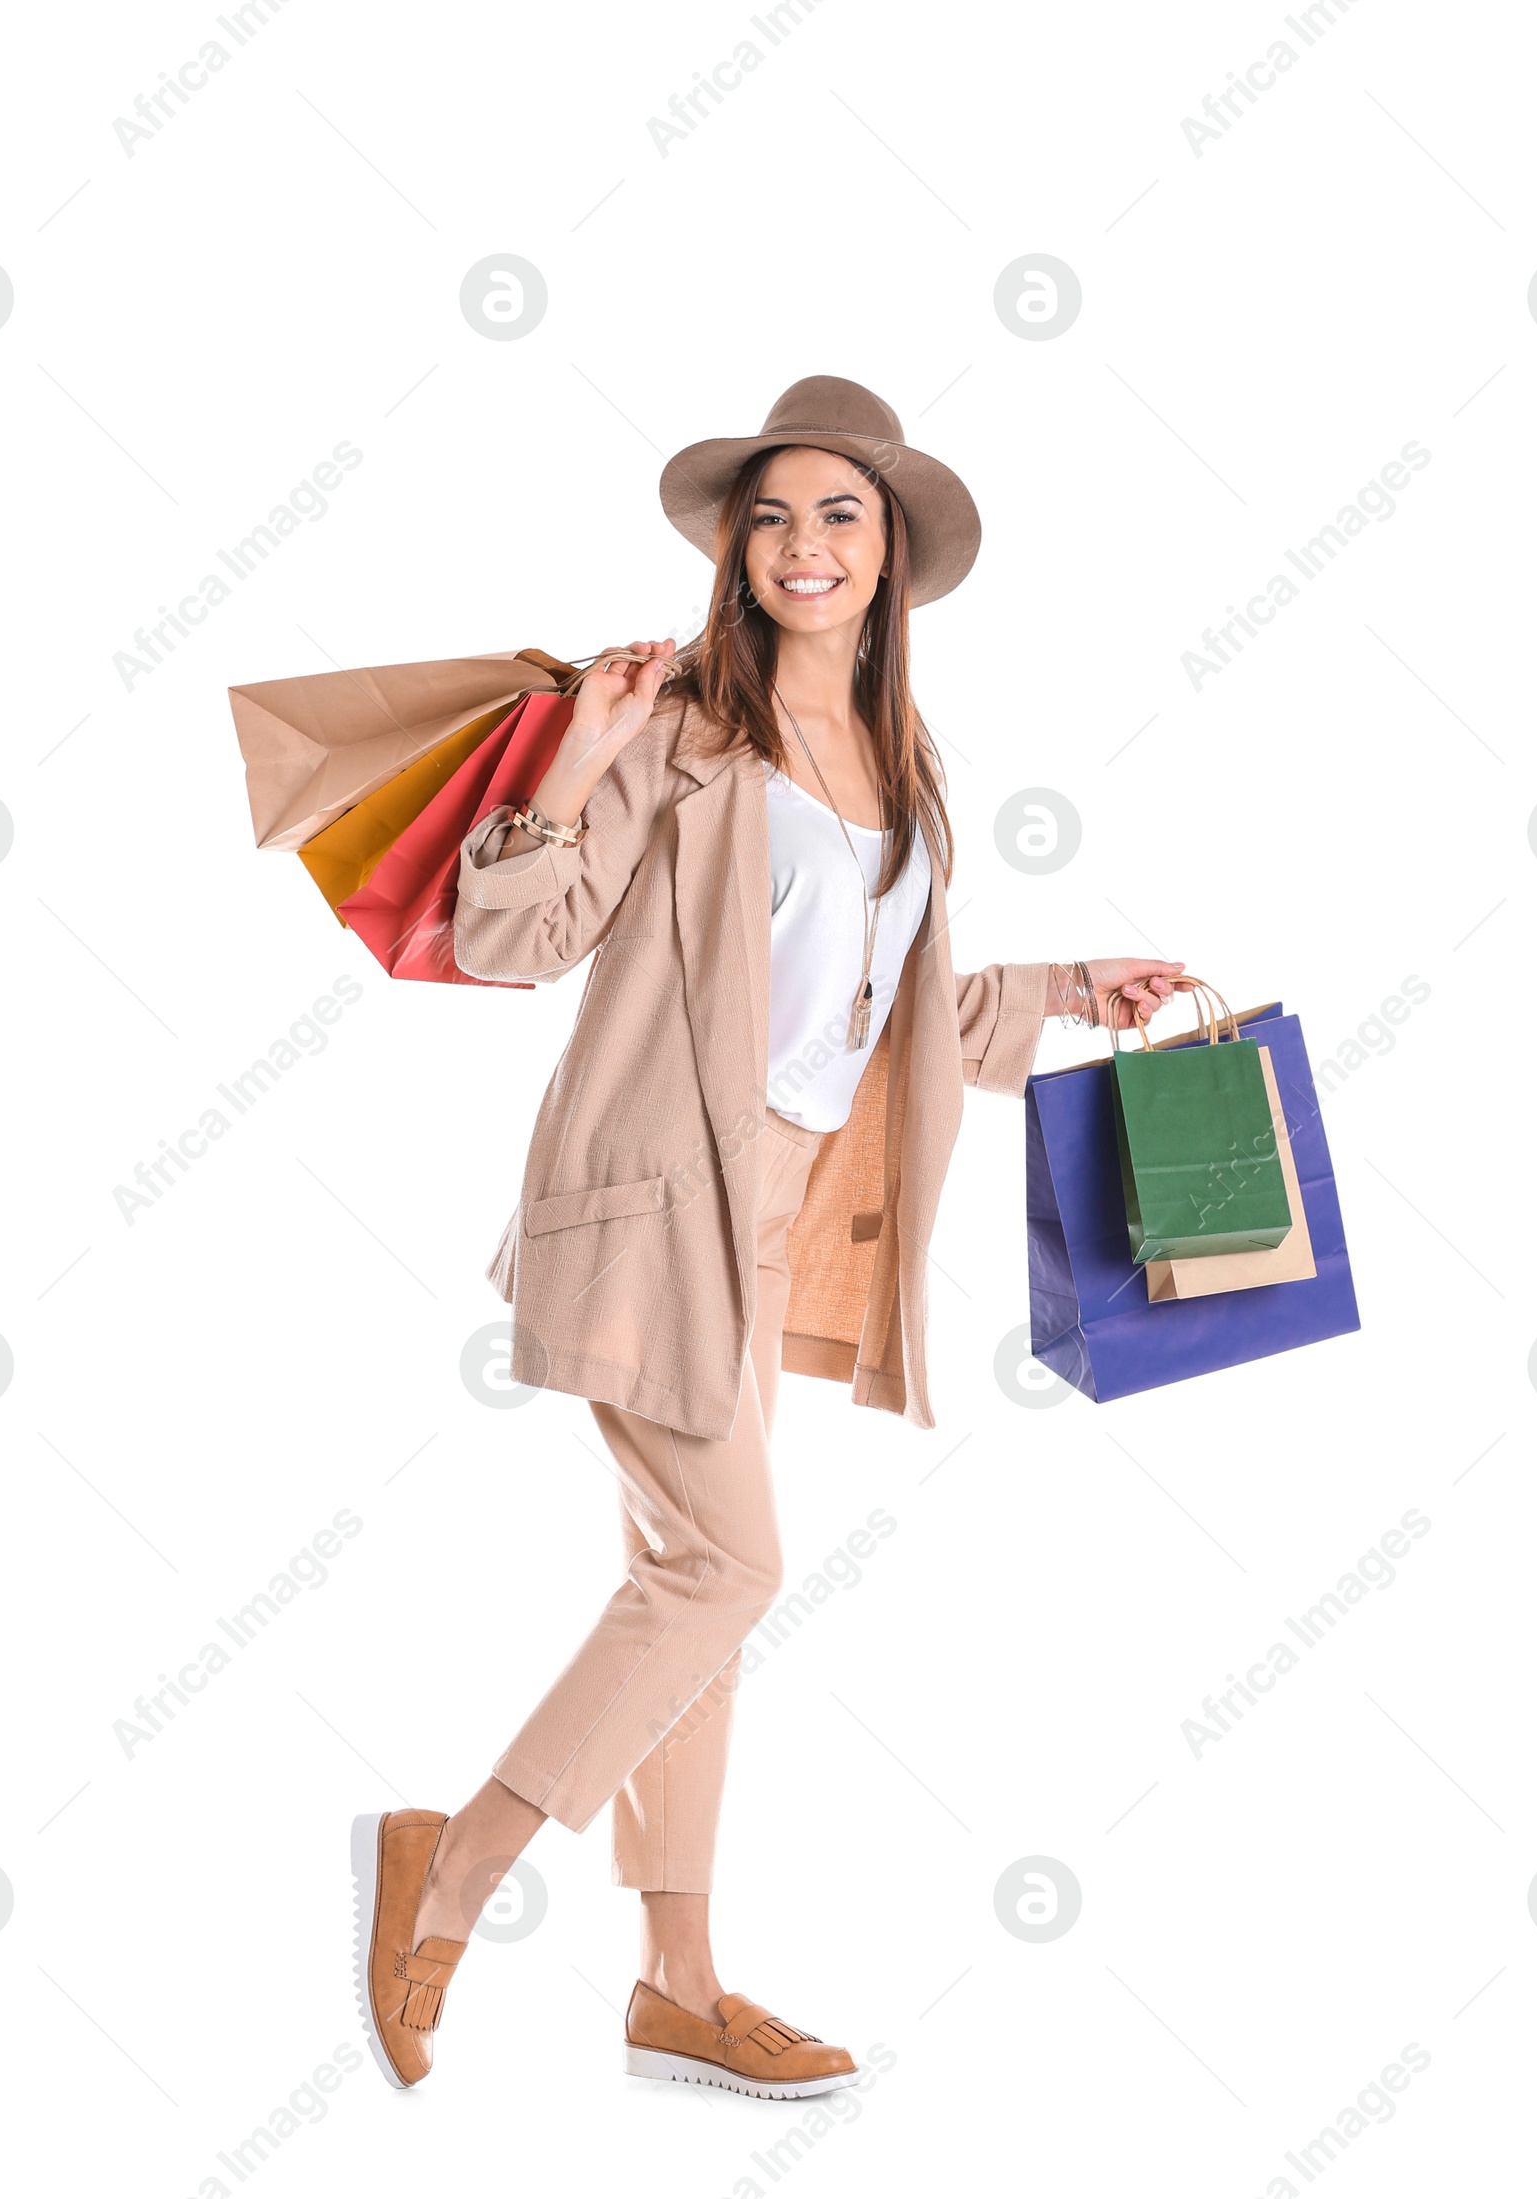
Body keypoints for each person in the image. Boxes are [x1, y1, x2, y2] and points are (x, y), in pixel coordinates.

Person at [352, 376, 1184, 2097]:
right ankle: (453, 1866)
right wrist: (577, 761)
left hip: (782, 1213)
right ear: (737, 549)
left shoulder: (899, 757)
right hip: (651, 1208)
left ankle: (675, 1985)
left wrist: (1067, 991)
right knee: (728, 1569)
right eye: (775, 515)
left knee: (695, 1595)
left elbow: (878, 1012)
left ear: (889, 560)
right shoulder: (679, 728)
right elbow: (515, 941)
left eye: (840, 517)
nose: (803, 546)